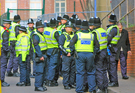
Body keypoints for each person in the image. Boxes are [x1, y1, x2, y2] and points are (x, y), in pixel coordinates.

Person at [69, 20, 99, 93]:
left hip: (80, 55)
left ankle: (79, 90)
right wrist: (94, 53)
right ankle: (92, 89)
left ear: (81, 28)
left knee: (80, 73)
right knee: (91, 72)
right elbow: (97, 46)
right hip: (90, 55)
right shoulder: (92, 35)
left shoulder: (77, 35)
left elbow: (71, 44)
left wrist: (73, 52)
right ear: (88, 27)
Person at [92, 17, 108, 93]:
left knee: (99, 70)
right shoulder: (104, 31)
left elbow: (94, 43)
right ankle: (105, 87)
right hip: (105, 51)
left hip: (99, 53)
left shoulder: (95, 32)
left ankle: (100, 87)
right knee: (104, 70)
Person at [59, 21, 76, 90]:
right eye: (68, 27)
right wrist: (66, 53)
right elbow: (60, 46)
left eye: (70, 27)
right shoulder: (63, 36)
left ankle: (71, 83)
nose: (70, 28)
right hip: (67, 55)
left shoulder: (74, 35)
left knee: (72, 70)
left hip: (73, 55)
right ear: (65, 28)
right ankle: (66, 84)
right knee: (66, 70)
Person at [44, 18, 60, 87]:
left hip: (47, 49)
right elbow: (59, 41)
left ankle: (47, 80)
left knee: (48, 65)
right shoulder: (54, 32)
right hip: (54, 50)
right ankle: (50, 81)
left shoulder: (45, 29)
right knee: (52, 66)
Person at [32, 21, 47, 91]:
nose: (42, 29)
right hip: (39, 55)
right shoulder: (36, 35)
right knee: (39, 71)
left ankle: (41, 85)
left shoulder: (40, 34)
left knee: (43, 71)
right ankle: (37, 86)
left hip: (43, 54)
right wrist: (40, 55)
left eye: (43, 27)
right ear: (38, 28)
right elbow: (36, 46)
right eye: (41, 28)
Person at [107, 14, 120, 87]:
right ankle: (112, 81)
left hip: (112, 48)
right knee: (110, 65)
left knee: (112, 66)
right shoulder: (113, 28)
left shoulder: (113, 29)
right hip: (112, 48)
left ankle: (114, 82)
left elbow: (109, 38)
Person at [1, 19, 11, 87]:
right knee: (3, 66)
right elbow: (5, 42)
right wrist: (7, 51)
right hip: (2, 50)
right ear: (6, 24)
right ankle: (1, 81)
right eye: (9, 25)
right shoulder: (5, 31)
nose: (10, 26)